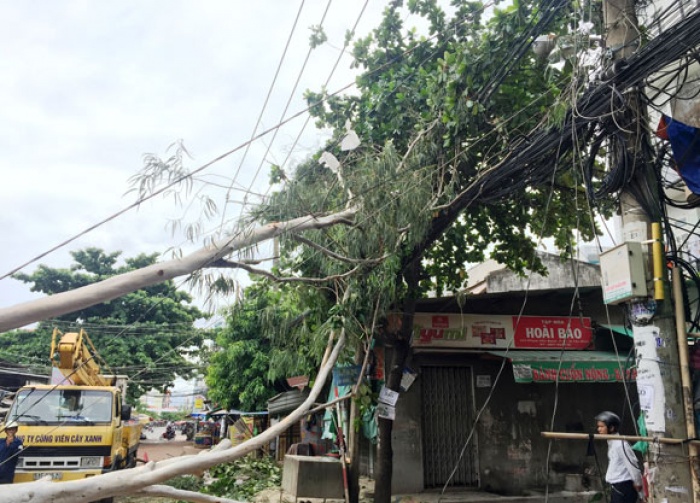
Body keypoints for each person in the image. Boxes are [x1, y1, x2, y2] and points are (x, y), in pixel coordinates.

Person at [595, 411, 643, 503]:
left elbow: (632, 464)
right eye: (598, 426)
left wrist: (638, 484)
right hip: (617, 488)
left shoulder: (620, 444)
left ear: (611, 428)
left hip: (624, 488)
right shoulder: (612, 443)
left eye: (601, 427)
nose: (599, 429)